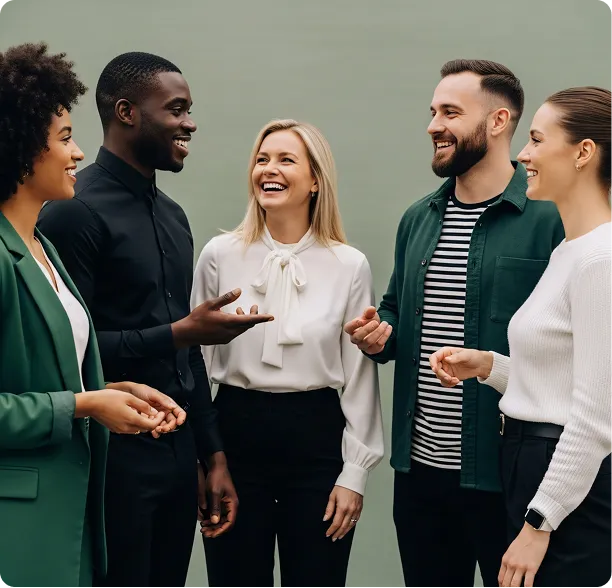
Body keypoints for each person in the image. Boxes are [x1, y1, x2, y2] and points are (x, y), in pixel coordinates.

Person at [37, 52, 271, 588]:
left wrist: (211, 455)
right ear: (126, 111)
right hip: (109, 456)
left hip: (177, 453)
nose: (189, 122)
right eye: (177, 109)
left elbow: (187, 354)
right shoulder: (74, 212)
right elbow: (69, 351)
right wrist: (180, 332)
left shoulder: (173, 216)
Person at [344, 59, 564, 588]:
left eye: (450, 112)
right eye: (432, 111)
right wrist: (381, 334)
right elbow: (397, 310)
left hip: (507, 474)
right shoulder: (418, 218)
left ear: (497, 122)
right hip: (418, 474)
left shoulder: (551, 218)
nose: (433, 125)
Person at [0, 42, 185, 588]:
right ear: (18, 148)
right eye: (63, 139)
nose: (78, 152)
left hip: (74, 519)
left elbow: (54, 371)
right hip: (21, 530)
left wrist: (115, 388)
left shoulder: (42, 250)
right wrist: (85, 404)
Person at [430, 86, 612, 588]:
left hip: (565, 484)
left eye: (535, 140)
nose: (524, 154)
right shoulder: (571, 252)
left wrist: (540, 521)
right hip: (530, 466)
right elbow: (564, 377)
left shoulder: (601, 260)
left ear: (583, 153)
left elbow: (596, 416)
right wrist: (491, 367)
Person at [191, 119, 384, 588]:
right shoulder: (219, 255)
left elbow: (358, 377)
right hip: (235, 434)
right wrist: (204, 457)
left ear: (315, 180)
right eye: (262, 158)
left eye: (285, 159)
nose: (268, 169)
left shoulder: (348, 264)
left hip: (317, 440)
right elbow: (194, 362)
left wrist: (354, 473)